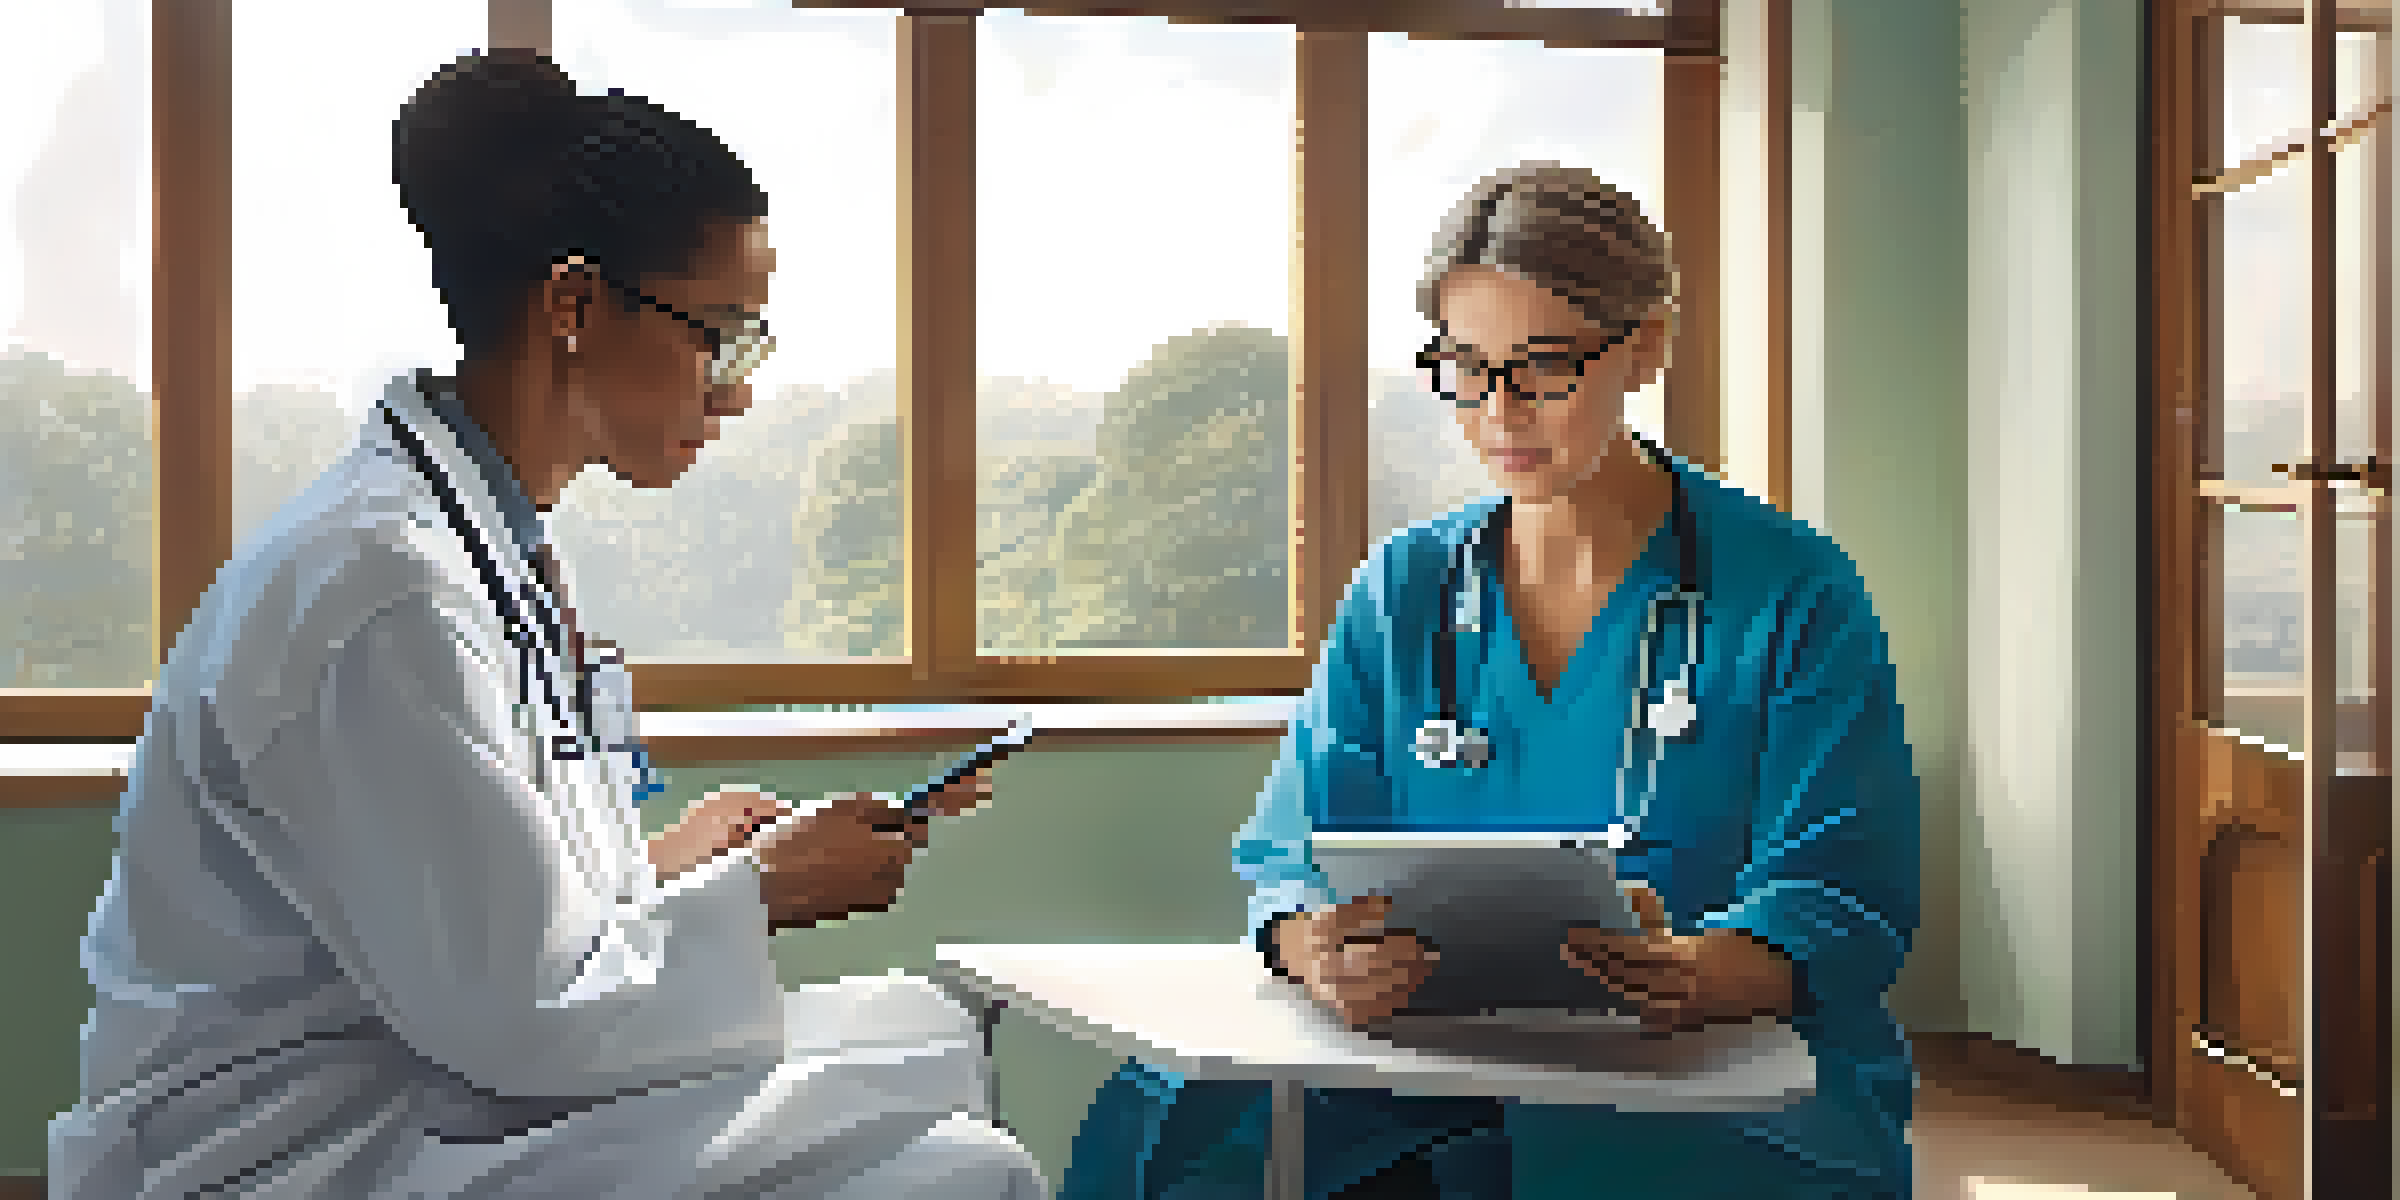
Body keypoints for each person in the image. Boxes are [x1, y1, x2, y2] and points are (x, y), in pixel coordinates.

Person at [46, 49, 1043, 1200]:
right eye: (719, 335)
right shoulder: (380, 587)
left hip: (425, 1080)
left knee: (920, 1028)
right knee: (963, 1170)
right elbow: (517, 1014)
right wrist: (764, 891)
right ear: (572, 305)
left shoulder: (483, 542)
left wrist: (671, 867)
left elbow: (473, 923)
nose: (736, 392)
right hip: (293, 1148)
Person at [1059, 162, 1920, 1199]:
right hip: (1424, 1064)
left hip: (1704, 1080)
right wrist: (1311, 947)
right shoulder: (1405, 588)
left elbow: (1841, 889)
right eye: (1465, 368)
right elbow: (1291, 850)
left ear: (1646, 346)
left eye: (1543, 368)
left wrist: (1712, 971)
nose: (1499, 412)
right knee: (1164, 1123)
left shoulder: (1793, 593)